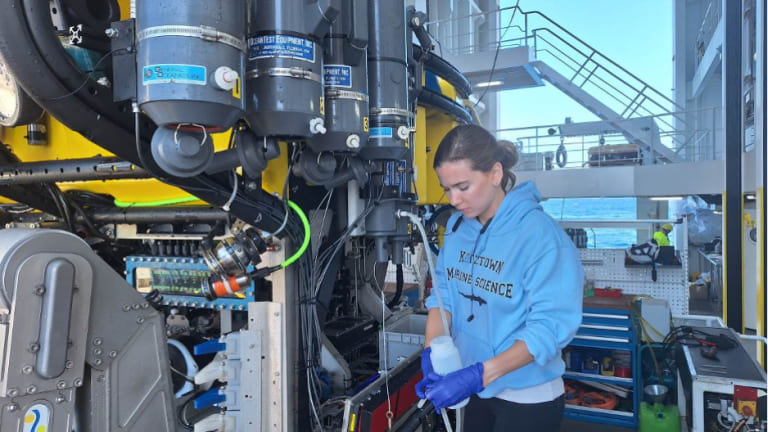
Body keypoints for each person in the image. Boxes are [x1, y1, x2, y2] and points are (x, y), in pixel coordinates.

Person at [415, 125, 584, 432]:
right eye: (447, 188)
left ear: (495, 173)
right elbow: (443, 299)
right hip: (474, 389)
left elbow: (549, 328)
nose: (453, 199)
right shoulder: (455, 228)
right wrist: (432, 350)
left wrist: (480, 373)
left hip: (527, 398)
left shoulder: (540, 236)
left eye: (463, 187)